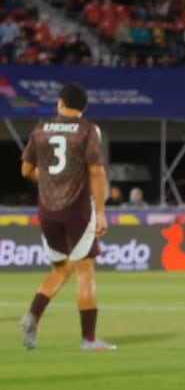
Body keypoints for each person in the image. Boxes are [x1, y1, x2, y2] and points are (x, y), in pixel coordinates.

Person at [18, 82, 113, 351]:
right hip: (77, 210)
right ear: (83, 108)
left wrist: (49, 181)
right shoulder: (88, 130)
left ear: (60, 103)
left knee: (59, 270)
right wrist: (102, 212)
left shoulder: (40, 128)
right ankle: (89, 340)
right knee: (85, 270)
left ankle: (32, 316)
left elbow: (26, 170)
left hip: (47, 210)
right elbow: (96, 171)